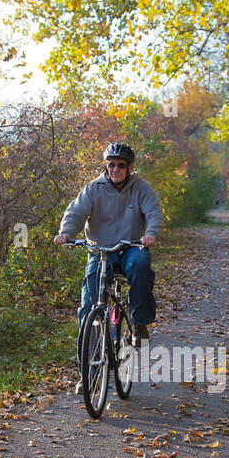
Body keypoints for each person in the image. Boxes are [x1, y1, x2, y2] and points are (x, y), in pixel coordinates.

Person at [54, 142, 164, 387]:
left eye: (121, 165)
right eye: (111, 164)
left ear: (130, 167)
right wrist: (65, 232)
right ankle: (88, 375)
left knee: (141, 265)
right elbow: (75, 213)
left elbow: (154, 213)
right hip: (100, 251)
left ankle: (139, 322)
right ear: (106, 165)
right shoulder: (93, 189)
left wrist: (151, 234)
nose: (115, 169)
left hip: (131, 248)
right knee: (87, 309)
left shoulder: (141, 188)